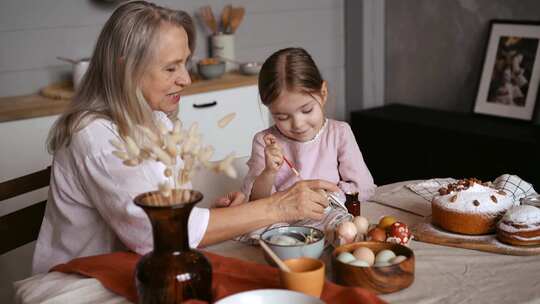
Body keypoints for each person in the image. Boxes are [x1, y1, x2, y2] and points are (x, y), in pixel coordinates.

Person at [32, 1, 337, 274]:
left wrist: (221, 217)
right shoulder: (96, 136)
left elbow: (173, 213)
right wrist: (278, 207)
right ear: (126, 69)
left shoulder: (156, 119)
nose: (186, 79)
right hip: (83, 280)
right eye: (170, 68)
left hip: (149, 267)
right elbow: (157, 232)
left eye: (185, 63)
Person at [238, 47, 376, 242]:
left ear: (323, 93)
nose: (298, 124)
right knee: (260, 228)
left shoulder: (339, 133)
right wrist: (268, 172)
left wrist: (327, 198)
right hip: (282, 222)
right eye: (282, 117)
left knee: (343, 224)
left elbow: (364, 186)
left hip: (326, 214)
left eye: (307, 110)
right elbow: (256, 202)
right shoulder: (265, 142)